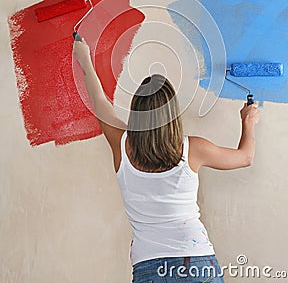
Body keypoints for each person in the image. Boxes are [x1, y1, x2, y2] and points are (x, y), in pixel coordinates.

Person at [73, 38, 260, 283]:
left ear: (136, 111)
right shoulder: (193, 149)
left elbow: (98, 100)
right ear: (172, 114)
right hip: (196, 263)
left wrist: (84, 57)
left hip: (149, 266)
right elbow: (245, 157)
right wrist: (248, 122)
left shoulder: (121, 145)